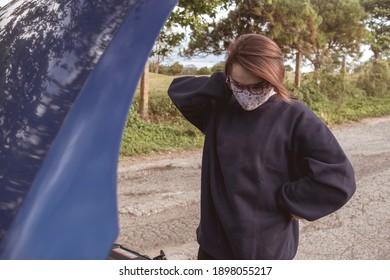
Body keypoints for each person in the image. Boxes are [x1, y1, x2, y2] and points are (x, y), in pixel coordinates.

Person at [168, 34, 356, 260]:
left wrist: (288, 201)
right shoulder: (221, 107)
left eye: (257, 86)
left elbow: (338, 178)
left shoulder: (295, 117)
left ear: (275, 78)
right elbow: (180, 91)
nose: (246, 95)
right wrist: (225, 82)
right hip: (215, 246)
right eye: (239, 84)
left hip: (264, 249)